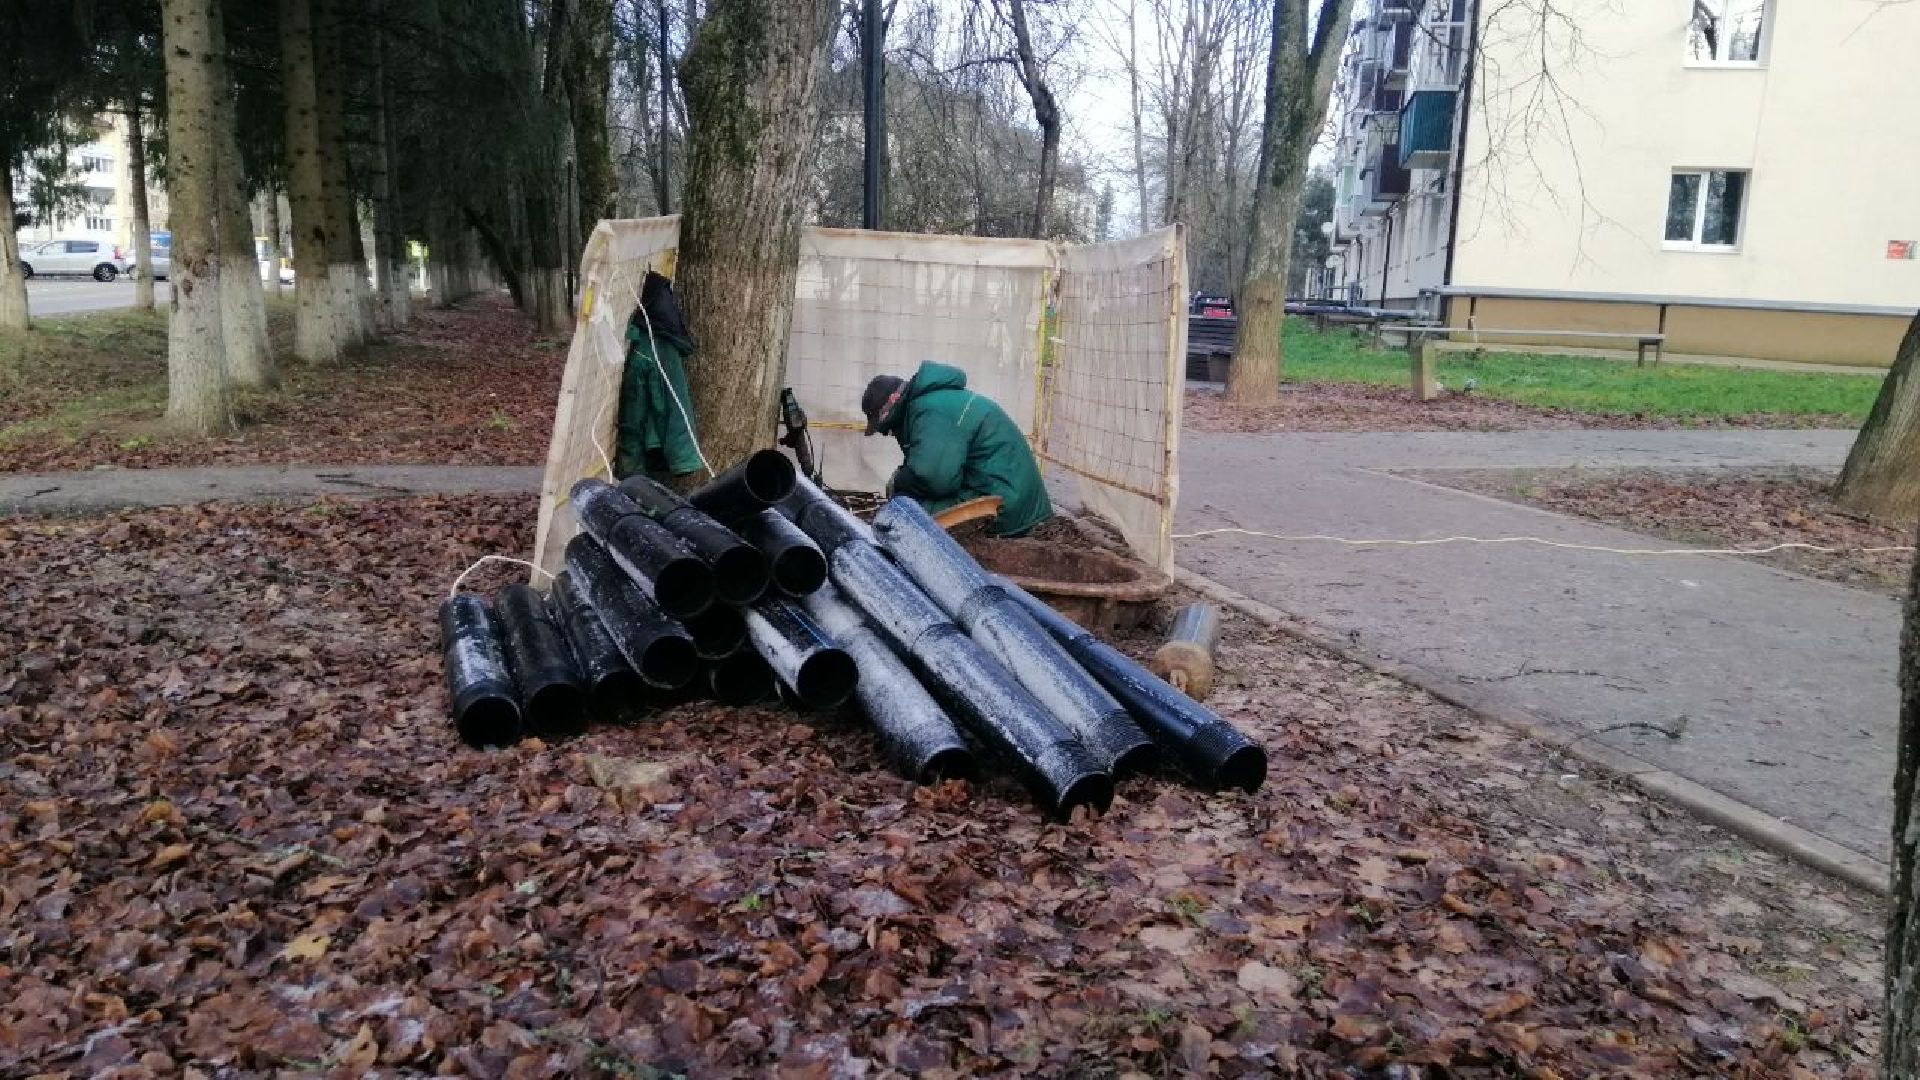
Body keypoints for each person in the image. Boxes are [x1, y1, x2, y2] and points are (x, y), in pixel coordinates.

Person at [861, 361, 1051, 536]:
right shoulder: (935, 401)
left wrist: (899, 482)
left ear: (894, 399)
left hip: (1007, 508)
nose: (886, 431)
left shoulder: (932, 410)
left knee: (908, 514)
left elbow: (934, 479)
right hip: (1013, 498)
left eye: (882, 422)